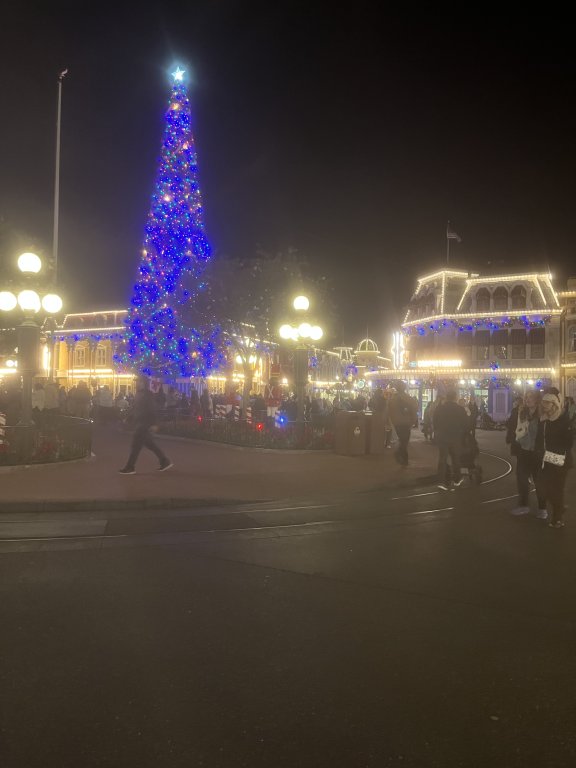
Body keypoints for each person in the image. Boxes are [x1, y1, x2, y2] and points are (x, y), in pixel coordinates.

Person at [505, 389, 547, 518]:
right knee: (522, 479)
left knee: (539, 481)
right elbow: (515, 428)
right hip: (523, 451)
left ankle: (542, 508)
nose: (528, 399)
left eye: (531, 397)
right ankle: (523, 506)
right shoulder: (522, 413)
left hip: (538, 452)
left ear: (537, 399)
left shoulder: (543, 414)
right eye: (526, 397)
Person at [119, 378, 173, 474]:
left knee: (135, 446)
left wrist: (154, 423)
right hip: (140, 422)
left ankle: (130, 467)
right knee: (150, 444)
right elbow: (135, 408)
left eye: (138, 382)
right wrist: (129, 418)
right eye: (136, 382)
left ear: (143, 383)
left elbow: (152, 409)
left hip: (144, 423)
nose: (136, 383)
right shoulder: (138, 394)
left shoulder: (148, 395)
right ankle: (164, 461)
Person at [536, 391, 573, 528]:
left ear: (554, 404)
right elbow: (540, 439)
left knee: (557, 489)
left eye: (547, 402)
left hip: (561, 460)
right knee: (542, 488)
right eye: (543, 402)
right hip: (546, 458)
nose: (544, 405)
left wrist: (553, 451)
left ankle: (557, 518)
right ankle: (560, 507)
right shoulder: (544, 420)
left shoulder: (564, 420)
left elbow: (568, 443)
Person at [433, 389, 469, 490]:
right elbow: (466, 424)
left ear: (447, 397)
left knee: (442, 458)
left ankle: (441, 481)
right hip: (455, 437)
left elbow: (434, 422)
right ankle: (457, 479)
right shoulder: (460, 409)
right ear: (455, 398)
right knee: (455, 458)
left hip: (442, 436)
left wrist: (438, 432)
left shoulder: (439, 408)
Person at [388, 381, 418, 465]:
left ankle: (404, 459)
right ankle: (402, 457)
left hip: (397, 423)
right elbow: (414, 410)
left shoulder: (392, 400)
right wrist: (413, 422)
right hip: (406, 423)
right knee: (404, 441)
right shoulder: (409, 399)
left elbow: (389, 412)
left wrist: (391, 421)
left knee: (403, 440)